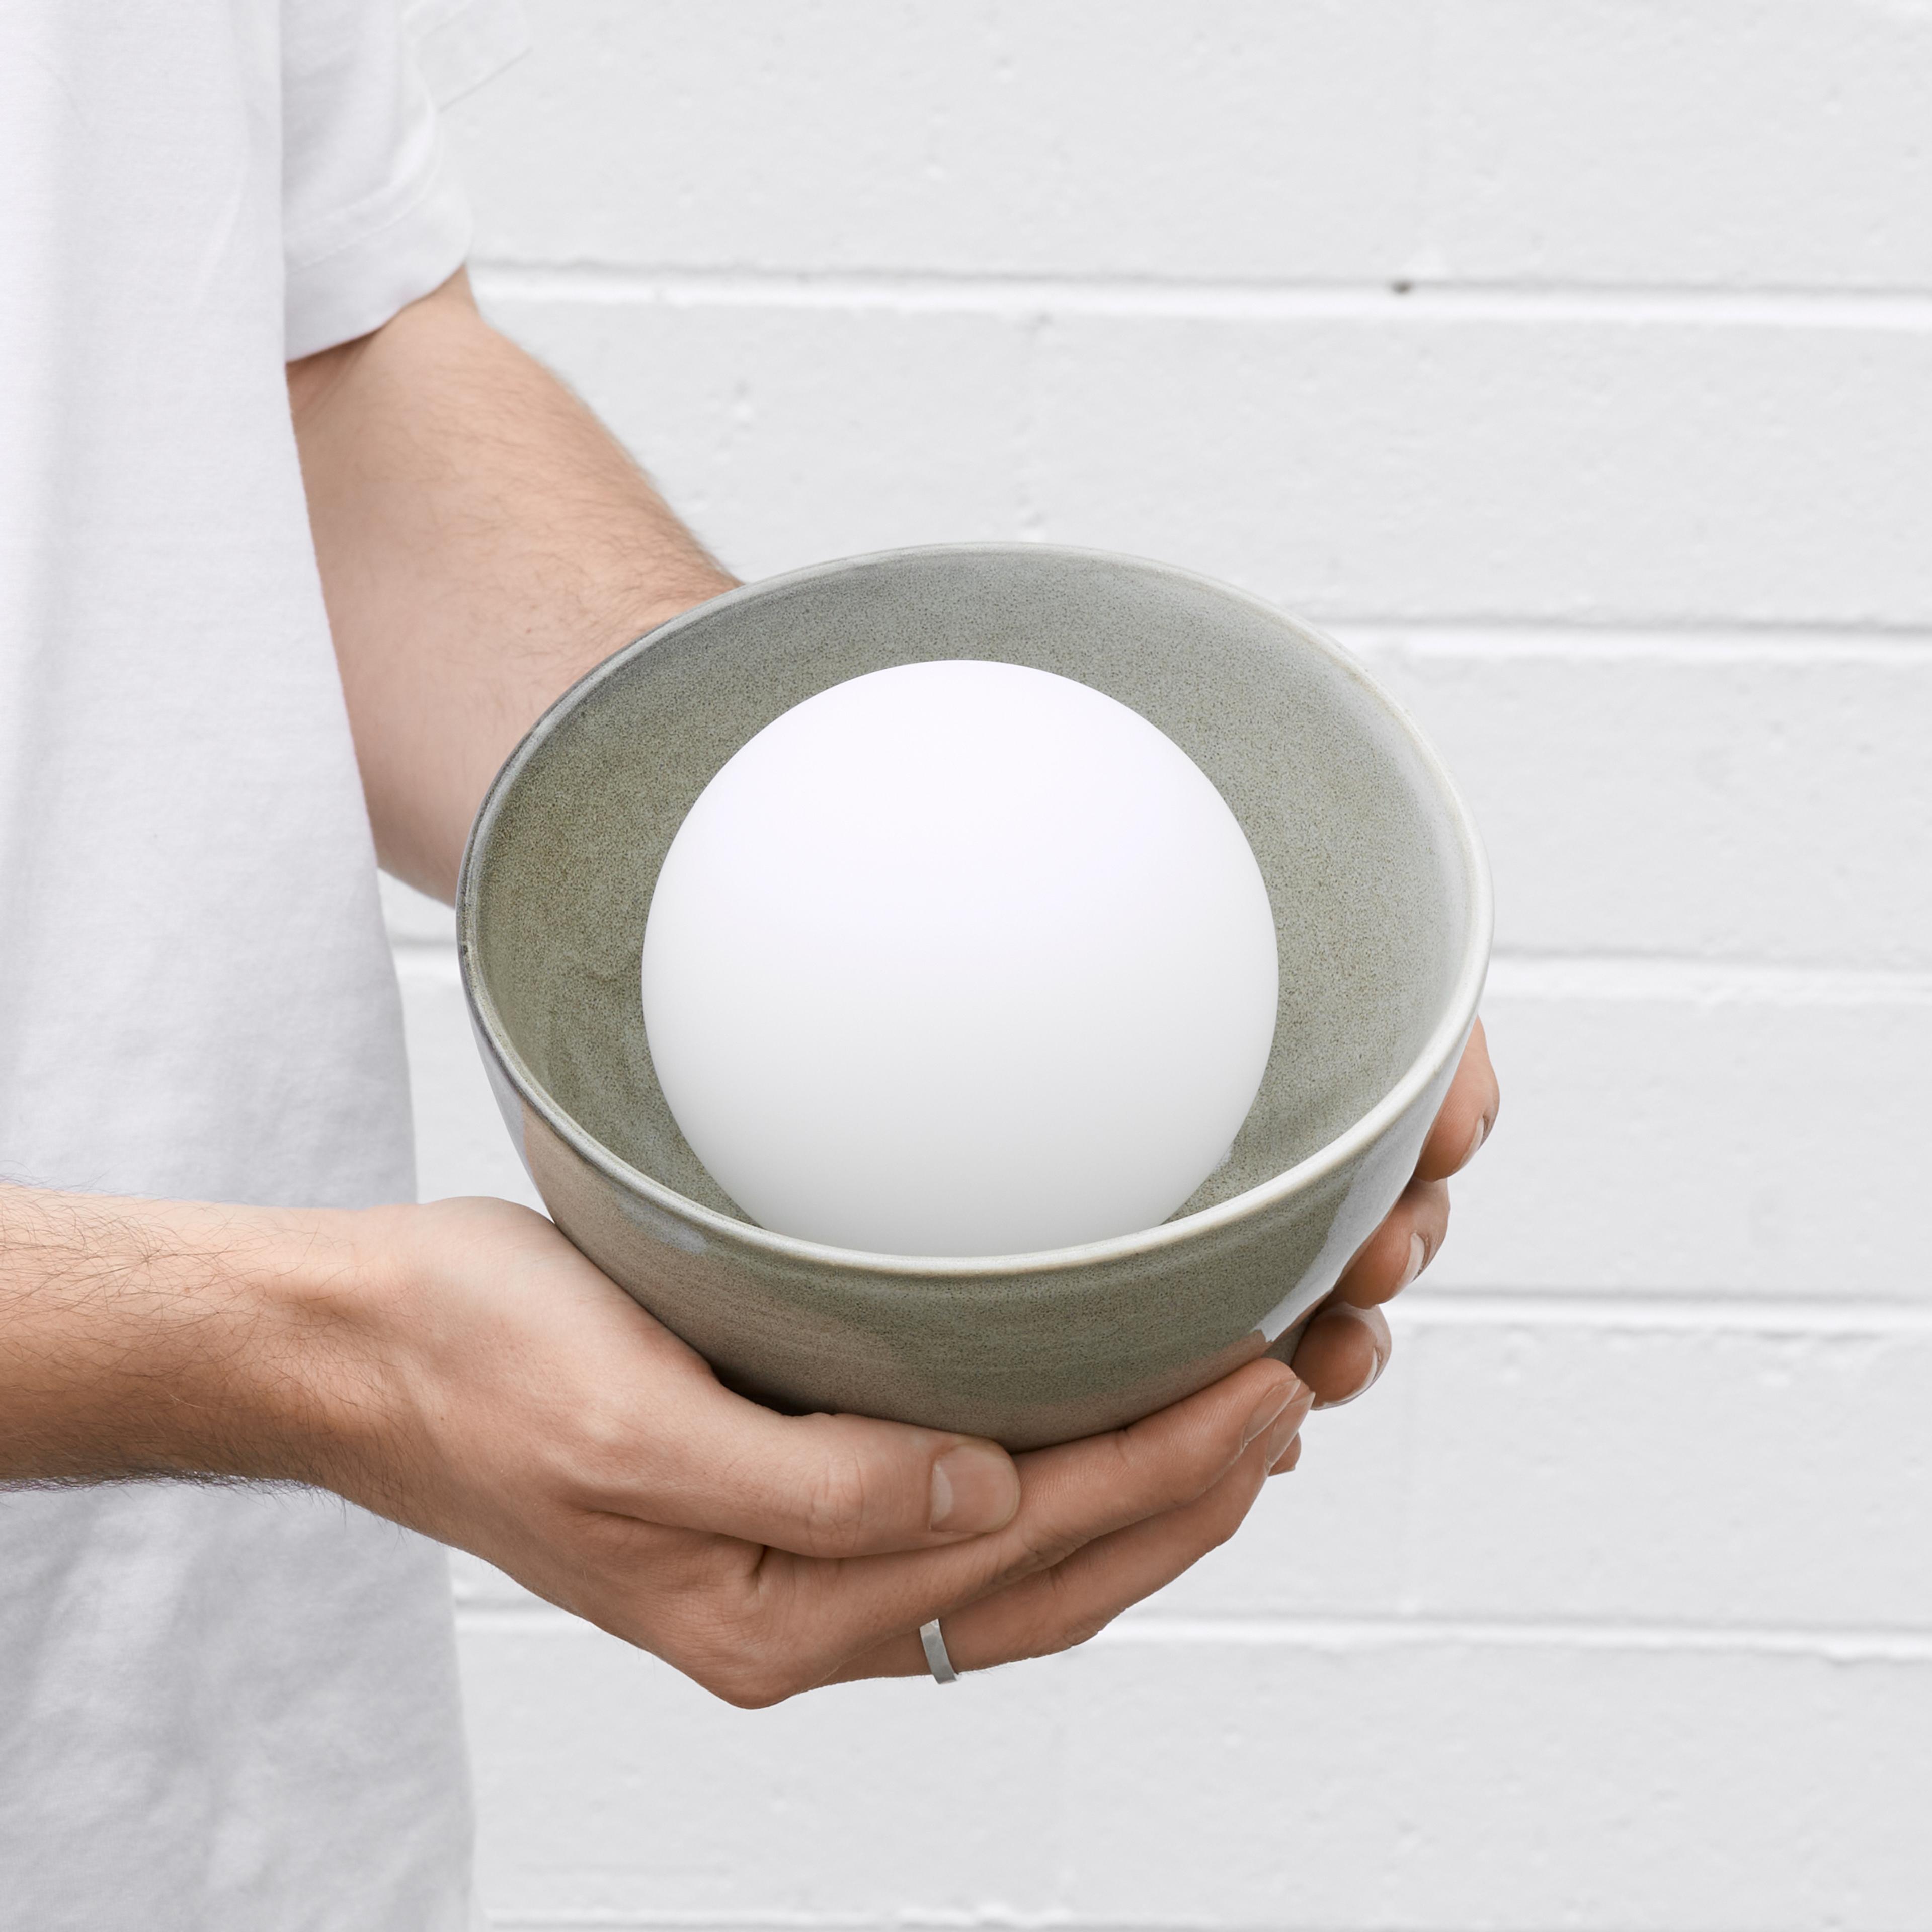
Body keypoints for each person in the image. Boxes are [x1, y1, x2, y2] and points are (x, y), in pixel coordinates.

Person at [0, 4, 1500, 1925]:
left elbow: (312, 365)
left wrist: (777, 821)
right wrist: (304, 1358)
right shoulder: (324, 1361)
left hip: (225, 1791)